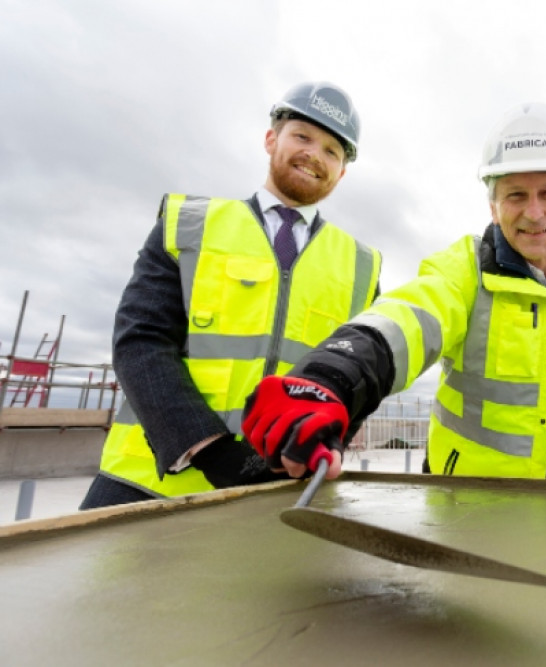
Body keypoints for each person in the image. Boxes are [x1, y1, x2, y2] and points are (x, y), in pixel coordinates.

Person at [241, 102, 546, 490]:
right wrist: (331, 379)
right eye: (515, 196)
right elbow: (405, 322)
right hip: (464, 503)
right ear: (492, 204)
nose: (534, 213)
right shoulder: (464, 271)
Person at [80, 82, 383, 509]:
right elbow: (140, 341)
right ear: (270, 139)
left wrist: (320, 446)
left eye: (333, 150)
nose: (315, 154)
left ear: (342, 172)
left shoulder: (362, 267)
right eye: (303, 137)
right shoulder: (189, 225)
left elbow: (360, 378)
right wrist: (209, 449)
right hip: (148, 484)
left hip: (281, 491)